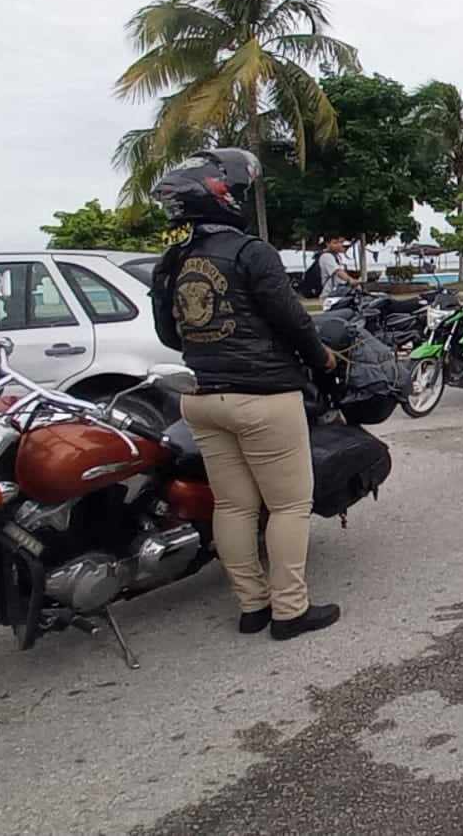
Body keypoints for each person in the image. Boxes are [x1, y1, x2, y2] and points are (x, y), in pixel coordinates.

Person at [148, 148, 340, 641]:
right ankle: (289, 611)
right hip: (264, 397)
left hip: (204, 399)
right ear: (223, 194)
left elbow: (172, 336)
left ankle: (252, 606)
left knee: (233, 507)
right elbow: (292, 320)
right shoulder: (251, 252)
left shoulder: (171, 262)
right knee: (289, 506)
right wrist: (321, 357)